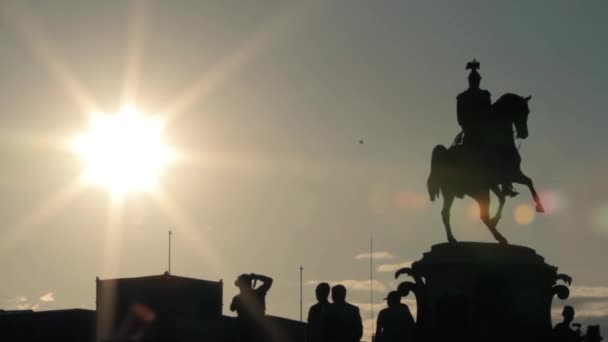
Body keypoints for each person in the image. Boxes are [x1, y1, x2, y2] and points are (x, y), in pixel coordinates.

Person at [456, 59, 517, 197]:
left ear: (479, 80)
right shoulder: (462, 97)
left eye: (477, 79)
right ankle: (461, 183)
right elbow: (460, 118)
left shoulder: (485, 94)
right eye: (473, 79)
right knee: (467, 155)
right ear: (469, 80)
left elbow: (490, 112)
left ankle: (506, 185)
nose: (475, 81)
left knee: (502, 152)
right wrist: (470, 124)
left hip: (485, 132)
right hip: (471, 131)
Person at [230, 273, 273, 342]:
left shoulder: (237, 298)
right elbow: (269, 281)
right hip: (257, 330)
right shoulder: (259, 293)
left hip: (246, 332)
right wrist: (256, 276)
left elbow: (232, 308)